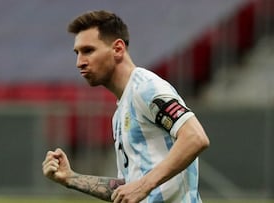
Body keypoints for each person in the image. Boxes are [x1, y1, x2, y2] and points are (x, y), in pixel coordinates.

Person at [42, 10, 210, 203]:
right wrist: (71, 178)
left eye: (88, 50)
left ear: (118, 49)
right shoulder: (120, 111)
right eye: (77, 53)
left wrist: (143, 186)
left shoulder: (146, 88)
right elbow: (129, 187)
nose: (79, 62)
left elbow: (195, 137)